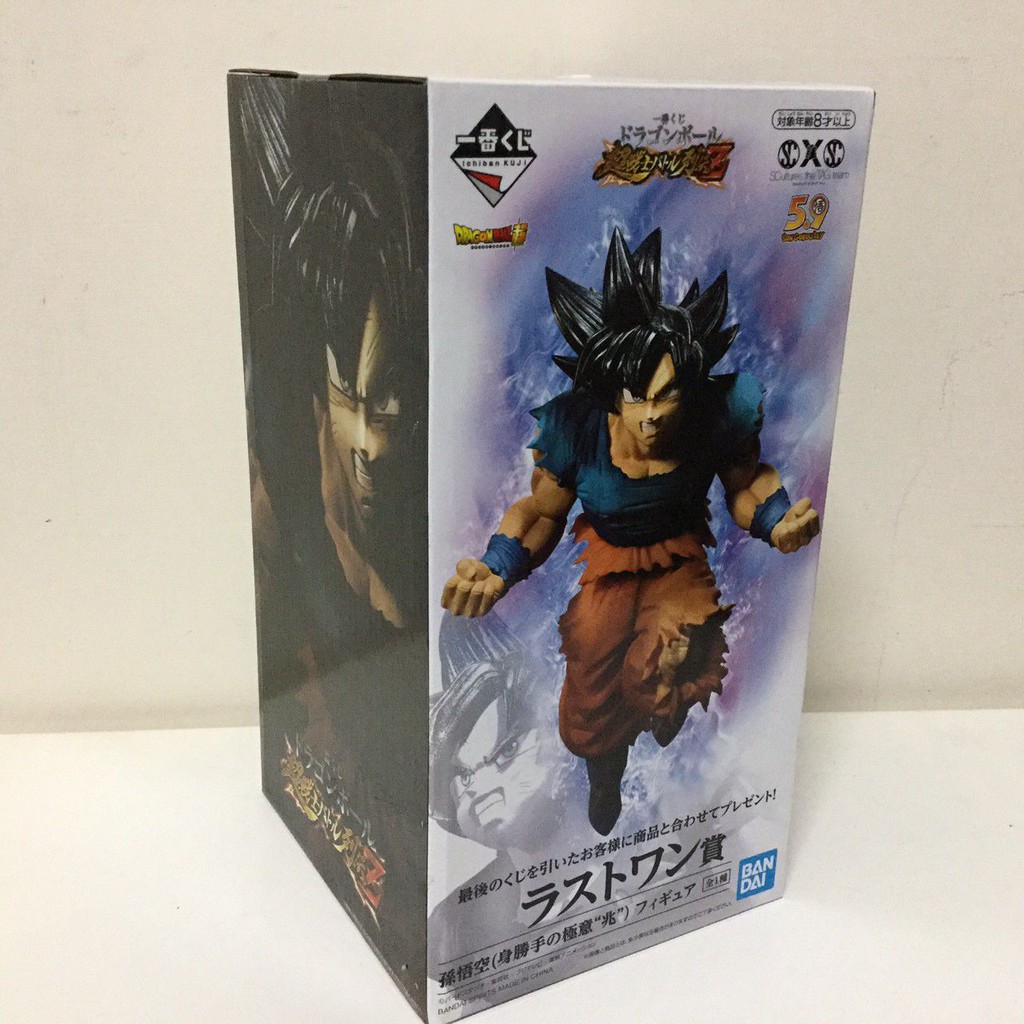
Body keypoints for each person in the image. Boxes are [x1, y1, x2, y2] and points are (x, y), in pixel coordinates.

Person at [441, 227, 820, 835]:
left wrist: (777, 520)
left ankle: (664, 705)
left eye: (667, 397)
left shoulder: (712, 415)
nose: (652, 416)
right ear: (611, 393)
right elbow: (541, 513)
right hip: (609, 562)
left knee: (663, 659)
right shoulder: (579, 430)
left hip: (679, 560)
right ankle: (606, 768)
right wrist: (498, 565)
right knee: (588, 693)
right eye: (637, 398)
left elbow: (746, 483)